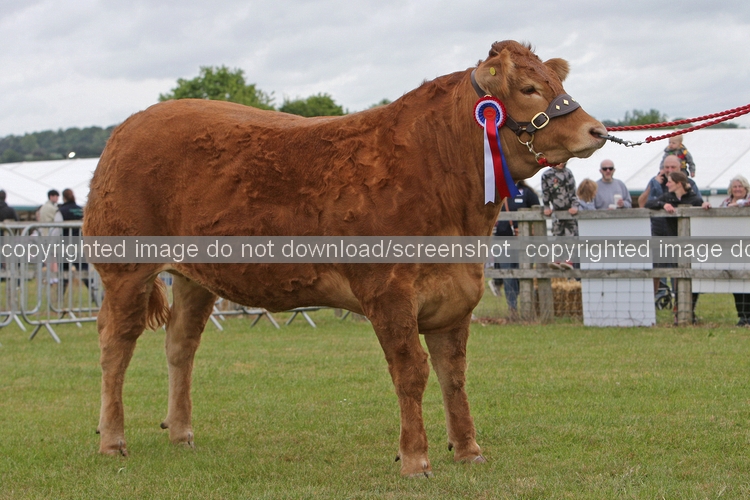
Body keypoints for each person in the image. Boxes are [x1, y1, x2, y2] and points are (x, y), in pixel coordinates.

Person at [645, 171, 710, 324]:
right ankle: (678, 312)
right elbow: (649, 204)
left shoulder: (693, 198)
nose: (667, 184)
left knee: (690, 278)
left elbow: (701, 205)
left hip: (690, 245)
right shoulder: (668, 197)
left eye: (670, 182)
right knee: (676, 276)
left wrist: (705, 206)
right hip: (673, 243)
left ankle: (688, 310)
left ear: (678, 183)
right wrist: (663, 205)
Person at [492, 180, 540, 319]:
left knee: (524, 274)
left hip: (524, 242)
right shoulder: (496, 191)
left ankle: (529, 308)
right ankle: (512, 309)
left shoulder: (527, 192)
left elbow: (538, 213)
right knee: (508, 275)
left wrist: (528, 230)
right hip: (503, 240)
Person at [719, 175, 750, 326]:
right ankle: (743, 315)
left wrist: (738, 204)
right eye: (735, 187)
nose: (737, 189)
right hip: (732, 246)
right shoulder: (725, 203)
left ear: (746, 188)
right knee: (737, 280)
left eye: (740, 186)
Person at [541, 162, 579, 236]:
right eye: (559, 162)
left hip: (570, 212)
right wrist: (546, 206)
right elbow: (545, 193)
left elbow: (572, 192)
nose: (561, 164)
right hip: (556, 212)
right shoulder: (546, 175)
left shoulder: (568, 173)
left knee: (572, 237)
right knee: (557, 236)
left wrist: (574, 206)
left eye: (563, 161)